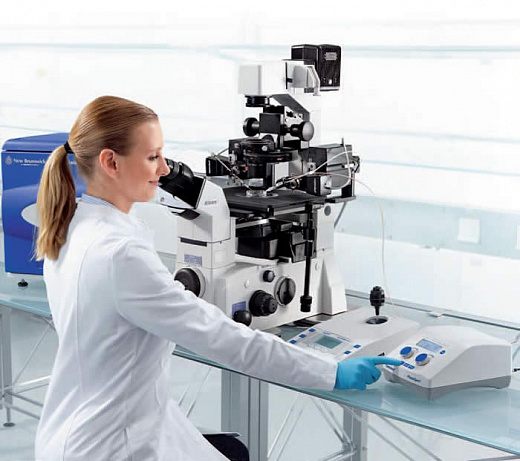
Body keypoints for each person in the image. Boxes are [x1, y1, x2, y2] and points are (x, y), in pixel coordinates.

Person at [34, 95, 401, 461]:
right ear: (110, 162)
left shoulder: (69, 226)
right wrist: (331, 372)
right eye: (152, 157)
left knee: (233, 449)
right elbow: (225, 339)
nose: (164, 169)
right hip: (113, 445)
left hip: (72, 431)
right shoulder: (121, 253)